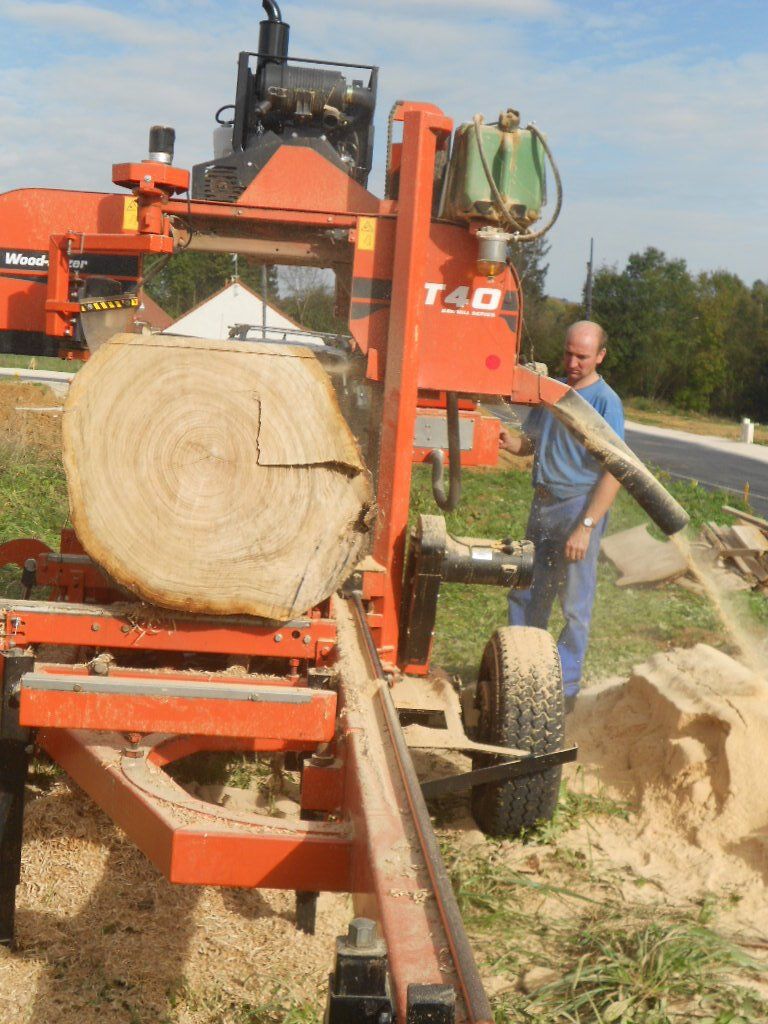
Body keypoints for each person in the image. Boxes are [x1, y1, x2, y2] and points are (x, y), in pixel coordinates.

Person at [500, 321, 624, 712]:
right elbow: (532, 442)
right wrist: (508, 441)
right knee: (526, 590)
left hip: (577, 509)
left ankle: (565, 692)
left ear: (600, 356)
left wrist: (585, 528)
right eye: (568, 353)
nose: (572, 362)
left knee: (574, 604)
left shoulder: (605, 402)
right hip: (543, 504)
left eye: (582, 356)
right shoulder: (552, 391)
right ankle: (522, 673)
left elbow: (615, 470)